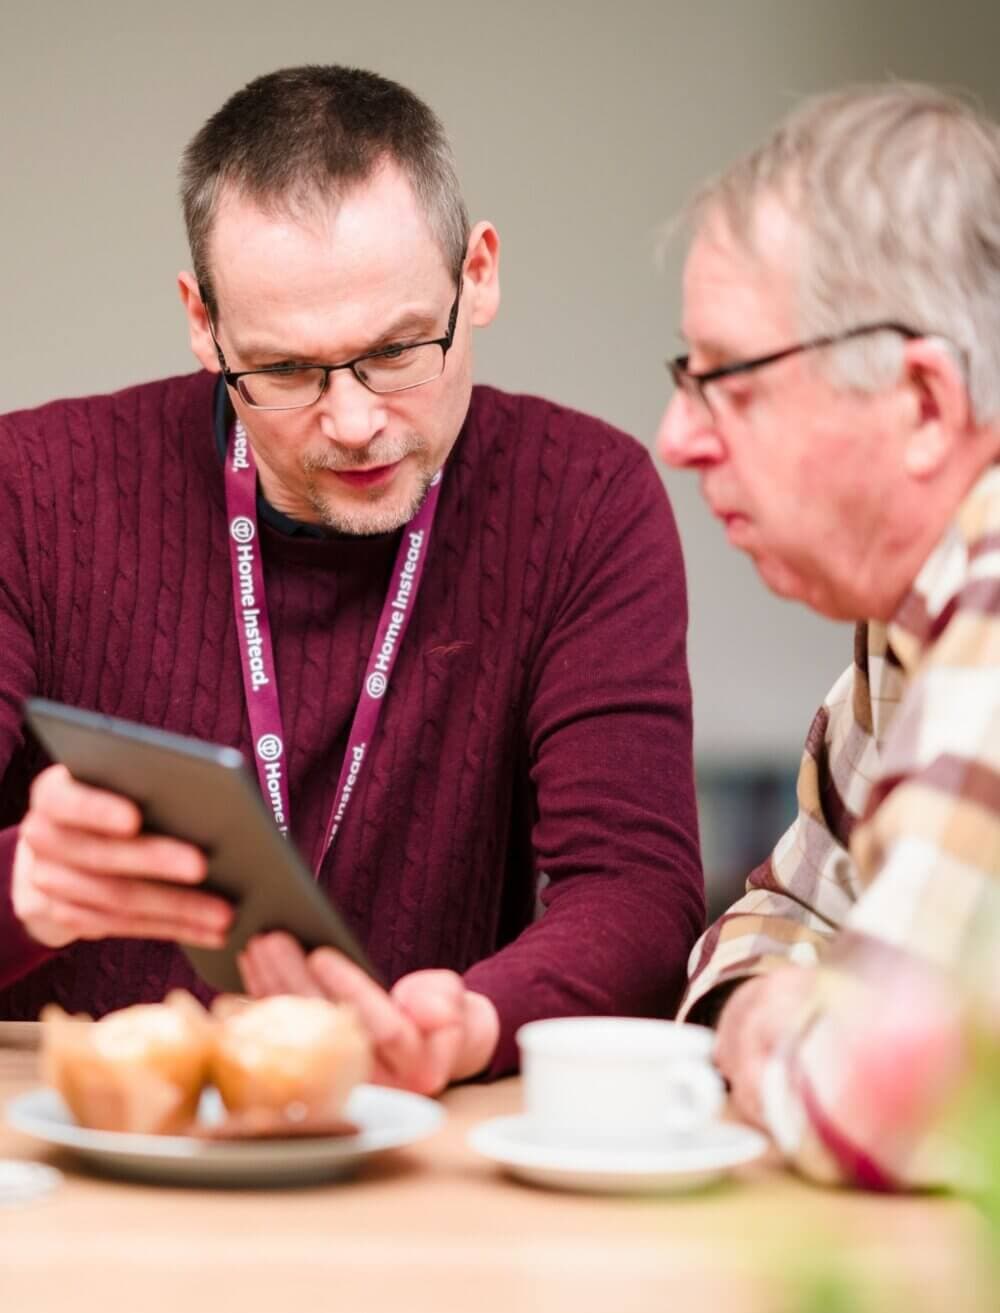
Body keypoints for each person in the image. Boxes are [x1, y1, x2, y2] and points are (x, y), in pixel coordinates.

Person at [0, 65, 704, 1094]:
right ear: (202, 323)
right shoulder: (27, 489)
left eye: (398, 350)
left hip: (416, 1128)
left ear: (479, 273)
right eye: (286, 370)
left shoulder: (583, 498)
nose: (354, 421)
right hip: (83, 1127)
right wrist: (23, 888)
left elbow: (637, 890)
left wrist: (474, 1020)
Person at [658, 82, 1000, 1188]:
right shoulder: (906, 619)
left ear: (922, 405)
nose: (675, 437)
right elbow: (775, 912)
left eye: (728, 381)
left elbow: (865, 1102)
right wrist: (783, 1002)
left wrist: (781, 1025)